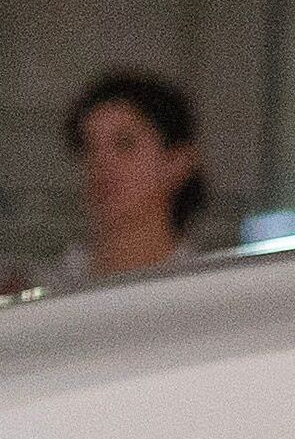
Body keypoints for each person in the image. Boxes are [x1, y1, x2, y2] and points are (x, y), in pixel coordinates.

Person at [42, 68, 216, 284]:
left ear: (177, 162)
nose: (100, 162)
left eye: (124, 144)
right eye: (88, 147)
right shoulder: (52, 286)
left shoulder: (203, 289)